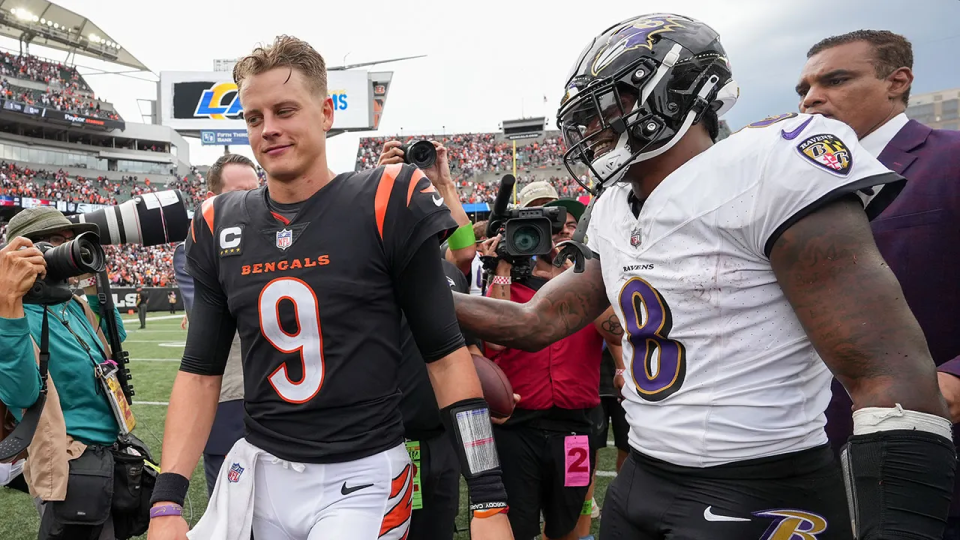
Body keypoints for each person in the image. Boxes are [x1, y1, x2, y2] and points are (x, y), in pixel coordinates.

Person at [453, 13, 955, 540]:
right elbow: (537, 320)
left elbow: (890, 377)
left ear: (675, 94)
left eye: (613, 101)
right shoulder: (613, 207)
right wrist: (414, 290)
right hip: (642, 476)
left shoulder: (769, 163)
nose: (594, 125)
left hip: (756, 487)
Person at [147, 36, 512, 540]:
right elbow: (200, 373)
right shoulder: (217, 222)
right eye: (255, 118)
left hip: (362, 474)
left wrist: (489, 500)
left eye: (284, 110)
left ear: (325, 113)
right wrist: (166, 501)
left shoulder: (388, 196)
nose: (269, 129)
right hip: (262, 469)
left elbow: (447, 358)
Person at [797, 29, 960, 537]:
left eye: (836, 79)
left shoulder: (950, 160)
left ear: (898, 81)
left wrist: (956, 379)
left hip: (931, 441)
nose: (811, 99)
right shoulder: (792, 182)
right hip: (805, 446)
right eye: (802, 89)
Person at [479, 184, 623, 540]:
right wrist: (503, 264)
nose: (560, 236)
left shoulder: (588, 284)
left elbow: (617, 331)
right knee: (520, 525)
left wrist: (576, 280)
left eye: (569, 228)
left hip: (575, 424)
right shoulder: (507, 284)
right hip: (518, 427)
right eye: (553, 229)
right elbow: (496, 340)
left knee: (567, 524)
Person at [0, 207, 127, 539]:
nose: (70, 251)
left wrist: (98, 283)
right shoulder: (11, 313)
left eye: (71, 242)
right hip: (68, 461)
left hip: (107, 451)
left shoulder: (69, 302)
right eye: (58, 242)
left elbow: (113, 341)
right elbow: (21, 395)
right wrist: (9, 303)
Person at [172, 153, 260, 498]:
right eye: (239, 193)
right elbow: (218, 312)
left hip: (281, 401)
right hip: (229, 399)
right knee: (231, 517)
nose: (252, 200)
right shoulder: (194, 248)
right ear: (214, 200)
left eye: (255, 191)